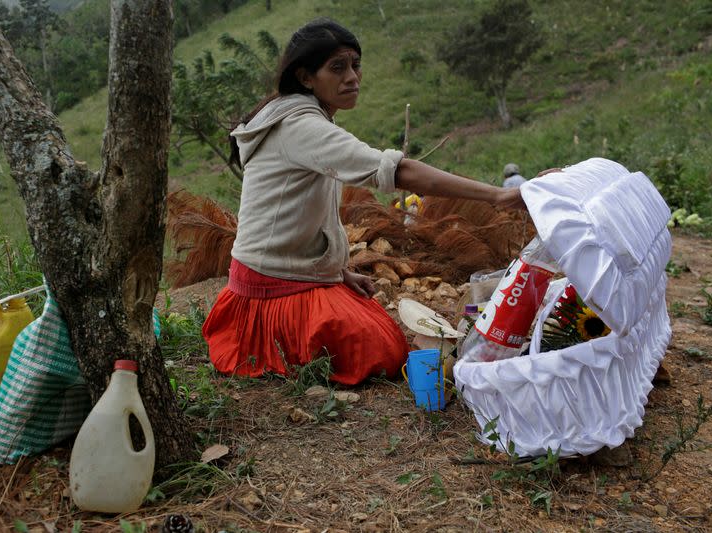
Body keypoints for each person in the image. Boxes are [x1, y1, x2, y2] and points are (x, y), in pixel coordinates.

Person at [202, 18, 525, 385]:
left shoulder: (302, 117)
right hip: (271, 285)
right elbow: (396, 172)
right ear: (307, 77)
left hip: (288, 273)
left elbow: (304, 213)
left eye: (355, 65)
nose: (352, 77)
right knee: (384, 351)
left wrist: (339, 273)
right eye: (337, 68)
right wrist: (499, 195)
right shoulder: (301, 127)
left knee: (383, 334)